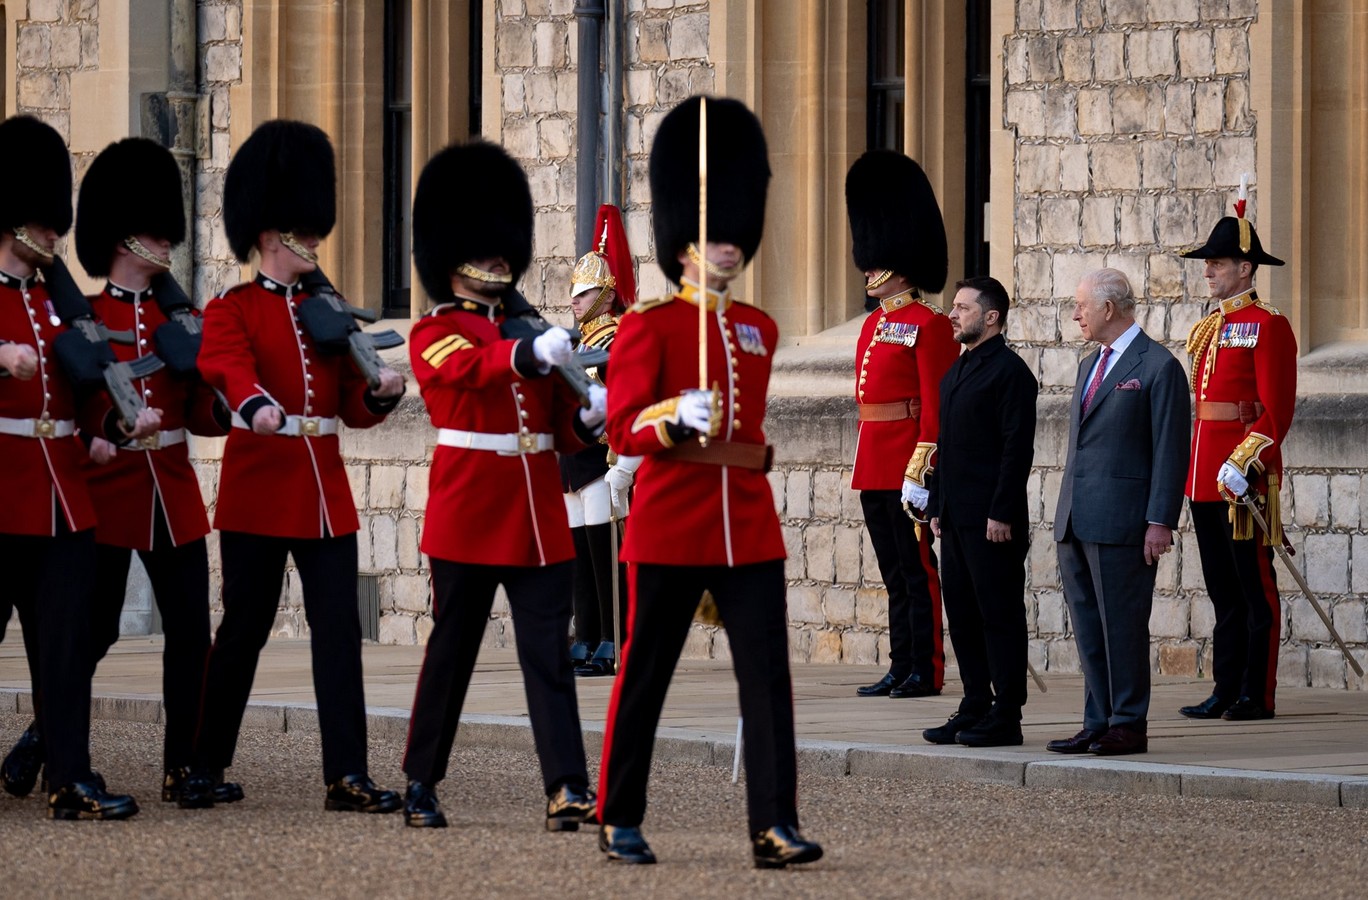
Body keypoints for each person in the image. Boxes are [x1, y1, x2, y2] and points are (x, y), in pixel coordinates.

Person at [595, 95, 822, 869]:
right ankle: (618, 814)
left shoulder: (759, 327)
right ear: (684, 244)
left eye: (735, 232)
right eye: (715, 232)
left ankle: (774, 825)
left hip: (748, 523)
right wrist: (670, 417)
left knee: (768, 683)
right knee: (644, 677)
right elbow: (622, 427)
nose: (729, 244)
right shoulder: (647, 326)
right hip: (671, 519)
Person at [192, 119, 406, 811]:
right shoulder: (234, 308)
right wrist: (254, 404)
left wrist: (382, 393)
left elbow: (348, 404)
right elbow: (224, 365)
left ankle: (346, 775)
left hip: (323, 493)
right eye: (304, 233)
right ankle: (202, 765)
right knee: (244, 633)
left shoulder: (327, 313)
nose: (315, 242)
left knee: (339, 635)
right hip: (260, 488)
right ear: (268, 236)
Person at [402, 140, 603, 831]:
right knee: (452, 654)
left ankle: (567, 786)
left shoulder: (529, 330)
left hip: (537, 514)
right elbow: (467, 371)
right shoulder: (435, 330)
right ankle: (421, 781)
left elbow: (559, 429)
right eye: (486, 250)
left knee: (548, 657)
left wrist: (589, 415)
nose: (498, 261)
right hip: (469, 510)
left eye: (503, 250)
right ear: (453, 255)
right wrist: (526, 352)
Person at [70, 137, 237, 804]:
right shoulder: (86, 319)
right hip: (108, 491)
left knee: (191, 632)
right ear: (121, 237)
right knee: (97, 627)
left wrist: (222, 402)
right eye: (152, 230)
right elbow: (72, 403)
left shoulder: (182, 319)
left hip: (171, 488)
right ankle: (45, 742)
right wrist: (101, 436)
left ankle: (184, 768)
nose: (167, 242)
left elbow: (198, 411)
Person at [0, 114, 155, 819]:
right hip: (4, 488)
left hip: (61, 492)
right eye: (43, 220)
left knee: (65, 651)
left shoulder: (54, 304)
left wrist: (114, 425)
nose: (55, 236)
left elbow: (82, 388)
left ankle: (71, 777)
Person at [1048, 269, 1189, 756]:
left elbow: (1171, 450)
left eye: (1081, 305)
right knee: (1088, 626)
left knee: (1122, 626)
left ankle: (1128, 722)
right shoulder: (1091, 365)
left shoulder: (1158, 365)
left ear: (1109, 308)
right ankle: (1097, 719)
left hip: (1125, 521)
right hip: (1077, 517)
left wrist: (1160, 521)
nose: (1075, 314)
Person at [844, 150, 958, 700]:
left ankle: (927, 669)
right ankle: (899, 664)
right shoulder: (874, 326)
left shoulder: (929, 325)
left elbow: (934, 406)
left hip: (908, 465)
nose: (868, 268)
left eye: (875, 258)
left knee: (918, 573)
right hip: (874, 464)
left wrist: (924, 467)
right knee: (893, 573)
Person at [1177, 203, 1296, 722]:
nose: (1208, 270)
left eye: (1219, 263)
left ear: (1246, 269)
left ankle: (1256, 692)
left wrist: (1244, 459)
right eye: (1208, 263)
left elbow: (1276, 409)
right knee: (1222, 590)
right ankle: (1225, 686)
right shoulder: (1211, 328)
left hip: (1241, 479)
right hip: (1204, 478)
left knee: (1253, 588)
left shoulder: (1267, 325)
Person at [923, 276, 1037, 748]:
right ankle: (974, 704)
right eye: (953, 305)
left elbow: (1016, 450)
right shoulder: (959, 369)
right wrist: (937, 506)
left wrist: (1002, 511)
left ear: (991, 317)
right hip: (957, 517)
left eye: (963, 307)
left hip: (993, 521)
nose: (952, 314)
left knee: (999, 615)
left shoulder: (1010, 372)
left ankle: (1006, 713)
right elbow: (948, 446)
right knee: (965, 616)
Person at [562, 204, 639, 677]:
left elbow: (621, 402)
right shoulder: (576, 343)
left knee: (603, 555)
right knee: (579, 558)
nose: (575, 299)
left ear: (606, 295)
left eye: (585, 291)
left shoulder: (614, 342)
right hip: (571, 463)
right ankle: (586, 635)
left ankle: (613, 638)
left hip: (599, 459)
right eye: (574, 291)